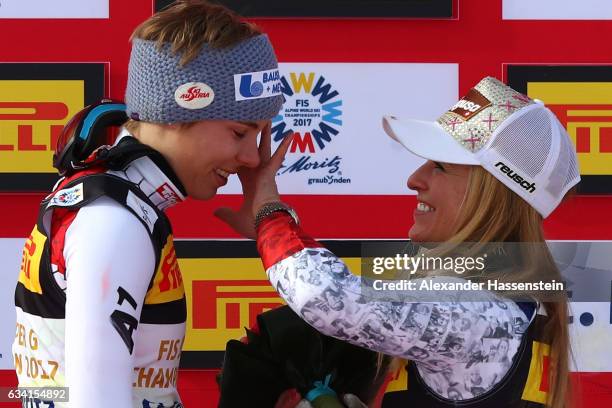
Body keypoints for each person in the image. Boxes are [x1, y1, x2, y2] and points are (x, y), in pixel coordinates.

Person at [216, 77, 578, 407]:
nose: (414, 179)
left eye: (439, 166)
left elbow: (323, 296)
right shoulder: (506, 302)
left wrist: (269, 214)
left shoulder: (480, 311)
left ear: (492, 193)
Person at [12, 1, 283, 407]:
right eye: (239, 132)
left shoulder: (114, 198)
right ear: (176, 110)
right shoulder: (114, 219)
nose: (253, 159)